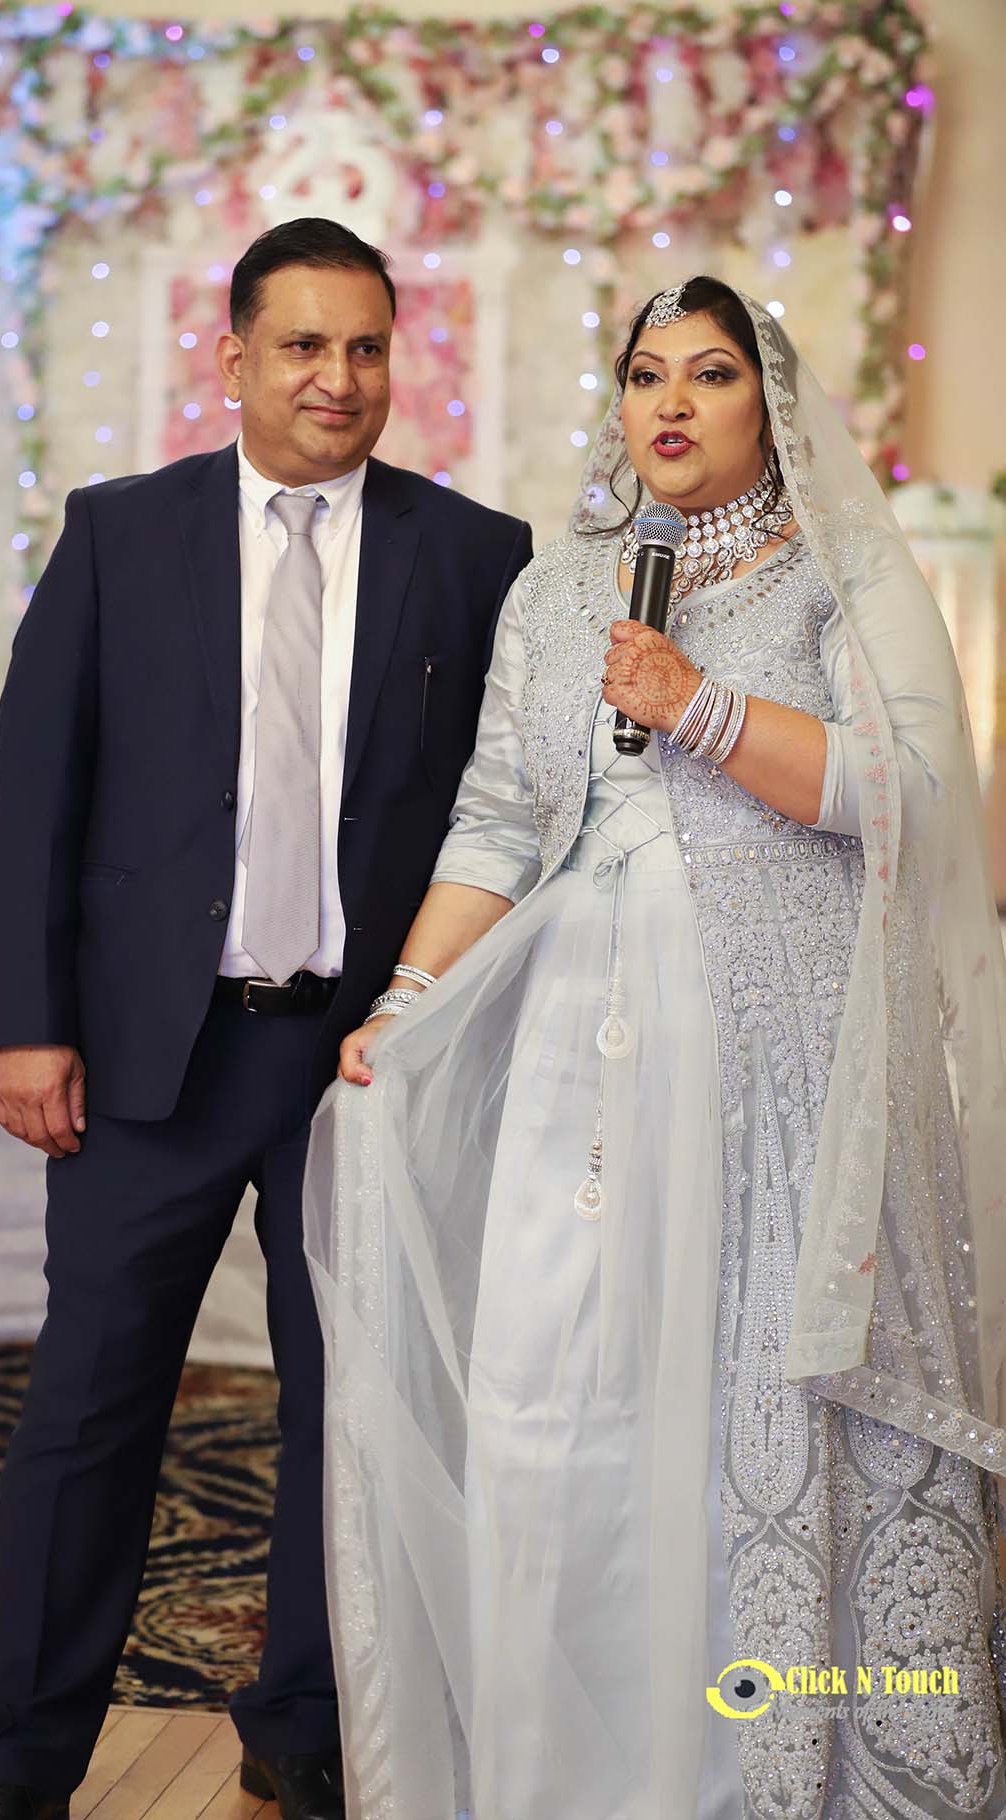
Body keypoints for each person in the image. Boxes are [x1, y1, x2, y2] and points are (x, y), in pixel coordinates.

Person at [305, 276, 1006, 1818]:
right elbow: (499, 816)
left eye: (709, 374)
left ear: (770, 403)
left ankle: (756, 1772)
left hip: (778, 1053)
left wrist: (698, 708)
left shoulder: (836, 571)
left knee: (743, 1403)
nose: (670, 404)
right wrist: (403, 1002)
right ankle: (574, 1774)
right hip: (575, 1045)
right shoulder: (562, 590)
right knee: (557, 1400)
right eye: (643, 375)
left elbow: (911, 793)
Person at [0, 216, 532, 1820]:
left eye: (365, 347)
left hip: (363, 1062)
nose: (336, 378)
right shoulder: (117, 534)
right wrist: (26, 1022)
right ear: (231, 358)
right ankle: (22, 1763)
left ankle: (309, 1726)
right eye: (301, 345)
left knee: (351, 1412)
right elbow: (37, 796)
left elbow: (504, 812)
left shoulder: (474, 554)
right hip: (151, 1055)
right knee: (88, 1408)